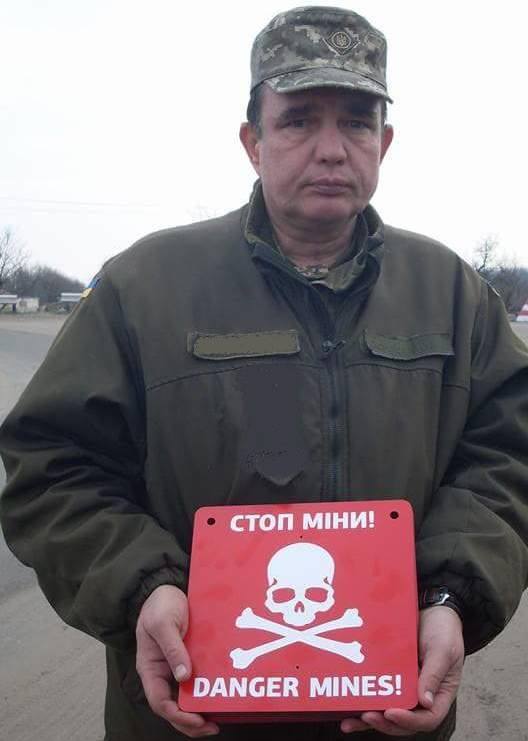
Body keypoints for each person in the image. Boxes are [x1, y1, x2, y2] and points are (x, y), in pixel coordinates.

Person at [1, 6, 528, 740]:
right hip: (190, 716)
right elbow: (51, 466)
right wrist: (143, 587)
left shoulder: (453, 293)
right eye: (299, 121)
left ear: (385, 142)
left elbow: (509, 459)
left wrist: (453, 594)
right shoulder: (145, 286)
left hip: (392, 713)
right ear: (253, 142)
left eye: (357, 123)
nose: (331, 149)